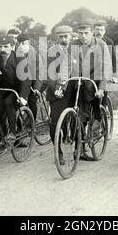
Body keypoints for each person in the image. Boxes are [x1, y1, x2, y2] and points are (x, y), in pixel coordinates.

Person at [68, 20, 113, 159]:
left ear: (91, 33)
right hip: (79, 79)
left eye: (86, 33)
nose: (83, 36)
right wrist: (61, 84)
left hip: (96, 77)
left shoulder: (101, 44)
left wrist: (101, 88)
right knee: (74, 106)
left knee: (89, 91)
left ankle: (97, 118)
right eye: (80, 33)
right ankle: (78, 147)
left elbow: (106, 68)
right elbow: (66, 65)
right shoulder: (73, 45)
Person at [0, 36, 31, 142]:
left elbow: (25, 80)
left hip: (17, 89)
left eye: (5, 46)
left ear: (12, 47)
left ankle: (12, 132)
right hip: (4, 89)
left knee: (9, 103)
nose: (2, 50)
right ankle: (4, 135)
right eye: (0, 47)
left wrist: (22, 96)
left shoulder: (20, 58)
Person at [46, 25, 74, 165]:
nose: (64, 39)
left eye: (66, 36)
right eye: (61, 37)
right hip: (57, 90)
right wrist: (57, 88)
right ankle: (58, 151)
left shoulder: (77, 49)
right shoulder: (52, 51)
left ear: (71, 36)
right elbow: (50, 73)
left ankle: (80, 146)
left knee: (78, 116)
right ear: (57, 38)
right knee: (54, 121)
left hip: (73, 88)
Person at [15, 33, 45, 121]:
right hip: (22, 80)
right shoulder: (16, 53)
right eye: (19, 43)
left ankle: (32, 124)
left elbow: (40, 73)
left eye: (23, 43)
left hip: (34, 79)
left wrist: (36, 88)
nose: (21, 46)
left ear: (28, 43)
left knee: (32, 101)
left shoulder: (35, 54)